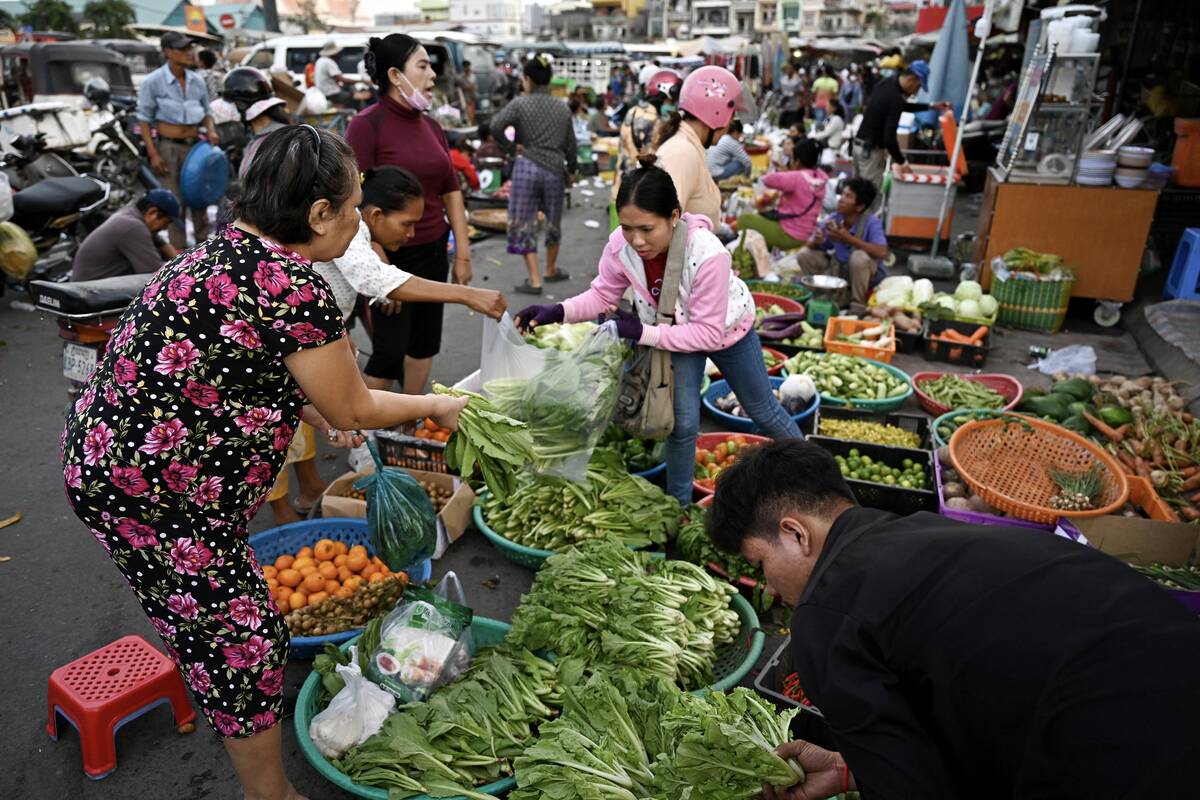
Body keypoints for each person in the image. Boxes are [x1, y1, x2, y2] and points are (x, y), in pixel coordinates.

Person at [60, 124, 471, 800]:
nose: (357, 222)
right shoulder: (294, 286)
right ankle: (270, 793)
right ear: (318, 215)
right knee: (246, 645)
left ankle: (224, 697)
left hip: (111, 471)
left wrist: (305, 409)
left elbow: (247, 368)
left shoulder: (217, 251)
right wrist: (439, 405)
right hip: (160, 497)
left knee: (208, 624)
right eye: (352, 205)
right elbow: (358, 411)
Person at [707, 439, 1200, 800]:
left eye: (759, 564)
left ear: (795, 534)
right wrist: (850, 769)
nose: (769, 587)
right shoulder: (927, 534)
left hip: (1127, 751)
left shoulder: (827, 611)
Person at [514, 162, 801, 506]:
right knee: (681, 426)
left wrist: (642, 331)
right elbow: (603, 295)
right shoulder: (621, 245)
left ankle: (814, 475)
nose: (637, 240)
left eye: (647, 229)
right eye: (627, 227)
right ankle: (677, 507)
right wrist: (557, 311)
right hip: (671, 333)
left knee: (763, 410)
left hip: (727, 330)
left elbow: (708, 334)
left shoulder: (708, 254)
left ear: (674, 216)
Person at [345, 33, 474, 395]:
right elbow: (355, 201)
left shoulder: (432, 126)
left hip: (433, 249)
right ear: (394, 75)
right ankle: (365, 442)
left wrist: (461, 252)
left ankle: (410, 425)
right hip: (390, 255)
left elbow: (451, 190)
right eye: (423, 66)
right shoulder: (366, 125)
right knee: (388, 353)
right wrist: (381, 266)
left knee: (423, 345)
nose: (432, 75)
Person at [487, 53, 576, 295]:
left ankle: (535, 279)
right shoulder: (562, 107)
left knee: (524, 223)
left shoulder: (519, 103)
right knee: (553, 222)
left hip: (526, 166)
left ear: (527, 79)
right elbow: (571, 143)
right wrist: (574, 169)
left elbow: (495, 126)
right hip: (555, 168)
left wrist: (510, 147)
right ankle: (550, 269)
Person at [137, 31, 219, 250]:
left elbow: (207, 111)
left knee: (199, 198)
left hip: (196, 148)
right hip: (168, 147)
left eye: (189, 49)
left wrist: (211, 130)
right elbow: (144, 120)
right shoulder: (153, 81)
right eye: (182, 49)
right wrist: (153, 154)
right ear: (167, 52)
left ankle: (203, 249)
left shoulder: (197, 80)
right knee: (175, 201)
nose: (188, 53)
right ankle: (179, 251)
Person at [654, 65, 745, 228]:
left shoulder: (690, 147)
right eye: (731, 117)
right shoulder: (682, 153)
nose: (730, 125)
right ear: (717, 113)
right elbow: (663, 225)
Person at [853, 59, 950, 208]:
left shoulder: (887, 83)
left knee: (855, 198)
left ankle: (851, 231)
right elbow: (889, 139)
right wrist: (902, 162)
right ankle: (865, 231)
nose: (916, 92)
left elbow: (901, 107)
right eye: (917, 87)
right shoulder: (895, 97)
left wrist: (931, 106)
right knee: (868, 202)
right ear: (911, 80)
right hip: (871, 153)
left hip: (859, 147)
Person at [796, 177, 888, 311]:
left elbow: (882, 252)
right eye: (842, 194)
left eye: (848, 196)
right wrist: (816, 241)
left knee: (859, 257)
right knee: (804, 255)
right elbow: (809, 244)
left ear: (860, 206)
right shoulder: (834, 218)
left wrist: (848, 239)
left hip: (865, 279)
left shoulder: (871, 222)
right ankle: (822, 296)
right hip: (838, 273)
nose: (841, 199)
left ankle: (857, 305)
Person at [70, 189, 181, 281]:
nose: (165, 228)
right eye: (166, 222)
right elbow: (155, 272)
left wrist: (181, 262)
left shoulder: (132, 214)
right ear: (152, 212)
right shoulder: (133, 227)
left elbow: (161, 242)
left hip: (92, 285)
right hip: (88, 292)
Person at [736, 139, 827, 251]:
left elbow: (768, 180)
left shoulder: (797, 177)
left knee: (744, 218)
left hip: (789, 234)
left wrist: (785, 171)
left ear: (797, 161)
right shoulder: (819, 178)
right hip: (805, 233)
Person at [314, 41, 357, 107]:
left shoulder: (320, 60)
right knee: (354, 98)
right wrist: (361, 81)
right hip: (331, 94)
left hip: (322, 92)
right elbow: (341, 79)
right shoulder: (329, 62)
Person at [777, 62, 803, 129]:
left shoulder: (797, 79)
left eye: (789, 69)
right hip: (783, 105)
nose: (787, 70)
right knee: (781, 123)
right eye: (787, 69)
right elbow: (781, 88)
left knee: (790, 124)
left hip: (793, 106)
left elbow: (802, 91)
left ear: (793, 70)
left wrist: (793, 93)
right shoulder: (783, 78)